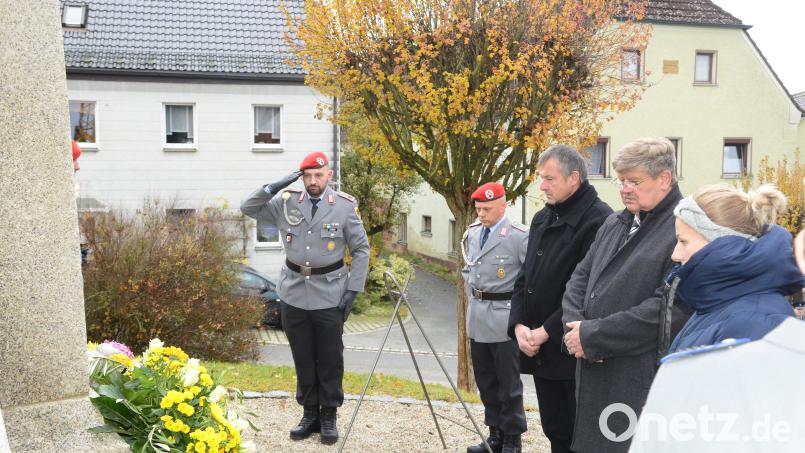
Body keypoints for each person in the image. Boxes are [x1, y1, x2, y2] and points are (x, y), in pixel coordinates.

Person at [561, 137, 691, 453]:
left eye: (635, 181)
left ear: (664, 179)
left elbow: (670, 307)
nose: (625, 189)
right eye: (621, 181)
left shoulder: (683, 230)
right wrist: (576, 329)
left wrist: (595, 336)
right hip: (592, 368)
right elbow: (579, 279)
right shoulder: (614, 222)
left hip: (635, 378)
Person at [240, 151, 370, 445]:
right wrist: (274, 186)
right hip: (294, 292)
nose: (313, 181)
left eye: (318, 175)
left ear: (329, 176)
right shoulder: (286, 202)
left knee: (330, 358)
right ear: (301, 178)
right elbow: (247, 206)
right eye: (307, 176)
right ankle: (309, 413)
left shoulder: (345, 207)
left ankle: (329, 416)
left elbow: (361, 250)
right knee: (303, 357)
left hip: (330, 292)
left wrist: (354, 289)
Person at [507, 145, 612, 453]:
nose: (542, 186)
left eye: (550, 178)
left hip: (572, 350)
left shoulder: (600, 221)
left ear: (574, 178)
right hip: (540, 348)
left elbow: (584, 291)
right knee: (554, 429)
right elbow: (524, 277)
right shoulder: (543, 218)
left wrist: (546, 331)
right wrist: (518, 326)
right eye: (541, 178)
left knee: (578, 434)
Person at [667, 184, 801, 352]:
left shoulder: (757, 322)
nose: (675, 254)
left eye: (683, 241)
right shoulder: (716, 306)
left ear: (722, 245)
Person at [461, 182, 529, 453]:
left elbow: (529, 280)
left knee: (509, 384)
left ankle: (513, 439)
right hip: (478, 316)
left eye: (487, 208)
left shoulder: (518, 236)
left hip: (504, 319)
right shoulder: (473, 233)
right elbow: (468, 270)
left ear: (503, 205)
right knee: (486, 382)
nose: (482, 214)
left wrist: (523, 317)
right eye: (478, 208)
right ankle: (495, 435)